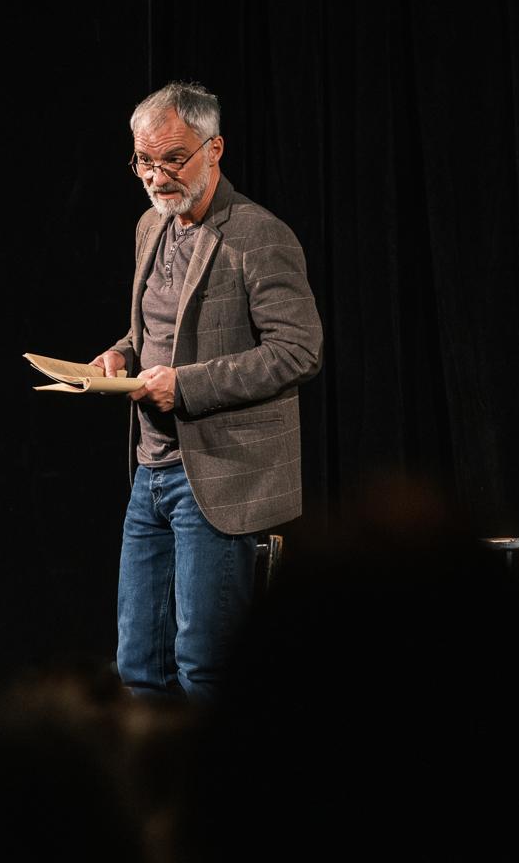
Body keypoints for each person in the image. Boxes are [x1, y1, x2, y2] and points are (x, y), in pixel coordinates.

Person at [90, 81, 322, 702]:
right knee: (138, 665)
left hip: (218, 477)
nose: (156, 177)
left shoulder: (258, 235)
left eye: (173, 159)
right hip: (151, 472)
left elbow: (298, 350)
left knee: (205, 666)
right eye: (144, 161)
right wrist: (122, 354)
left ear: (214, 149)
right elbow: (153, 329)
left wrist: (187, 386)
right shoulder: (150, 226)